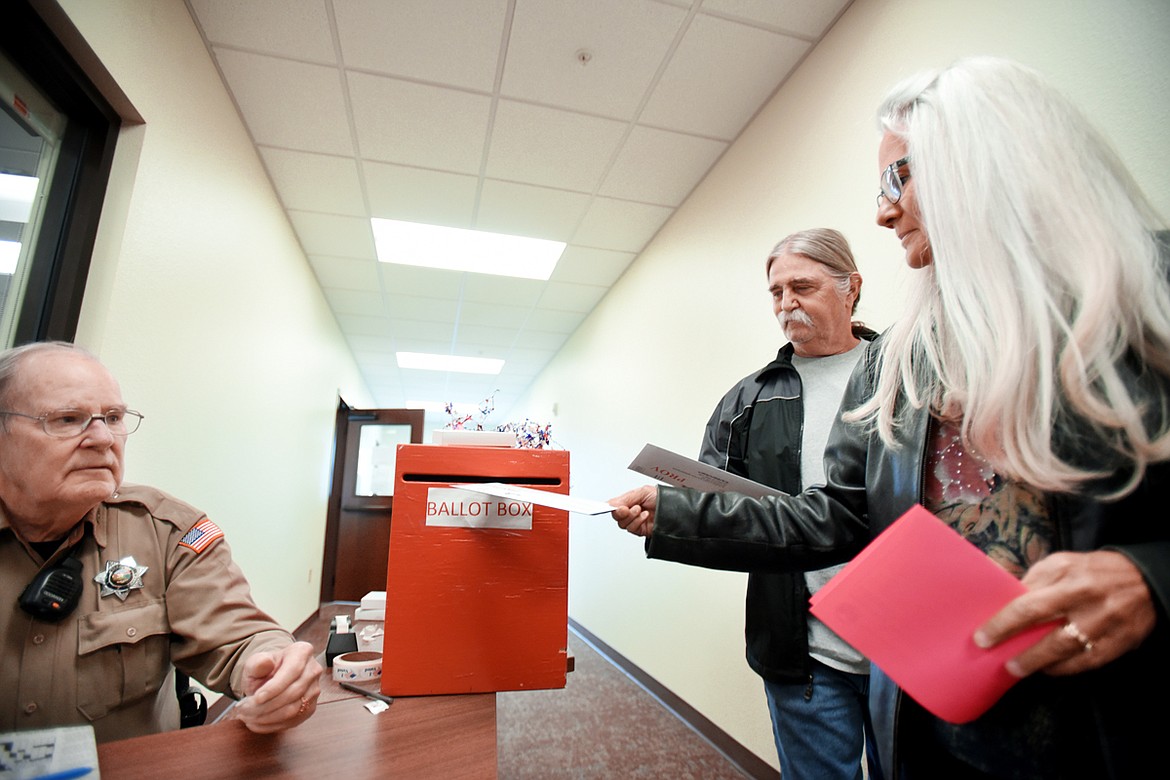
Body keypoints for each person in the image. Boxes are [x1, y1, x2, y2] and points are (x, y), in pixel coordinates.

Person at [611, 56, 1170, 779]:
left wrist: (1153, 578)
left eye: (896, 179)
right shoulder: (902, 360)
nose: (881, 211)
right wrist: (675, 511)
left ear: (986, 155)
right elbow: (831, 518)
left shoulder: (1149, 296)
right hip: (937, 733)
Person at [0, 341, 322, 742]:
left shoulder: (169, 531)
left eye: (114, 417)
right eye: (68, 419)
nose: (103, 438)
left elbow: (239, 635)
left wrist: (276, 666)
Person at [696, 228, 877, 779]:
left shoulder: (903, 373)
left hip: (906, 638)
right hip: (806, 651)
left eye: (802, 286)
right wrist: (672, 510)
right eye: (776, 292)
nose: (786, 303)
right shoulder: (747, 401)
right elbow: (715, 505)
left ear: (852, 289)